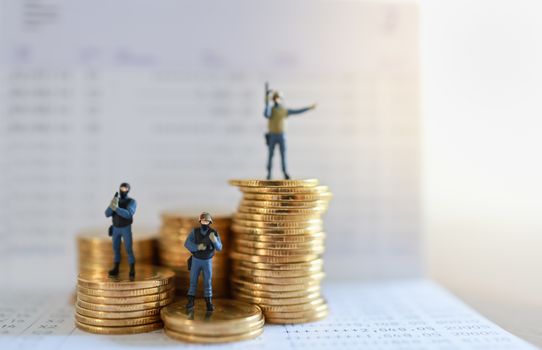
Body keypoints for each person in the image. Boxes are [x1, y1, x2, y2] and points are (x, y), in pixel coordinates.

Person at [263, 83, 316, 179]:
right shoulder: (271, 110)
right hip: (272, 135)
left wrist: (309, 108)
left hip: (281, 136)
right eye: (275, 98)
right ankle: (269, 173)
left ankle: (285, 172)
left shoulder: (284, 110)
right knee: (271, 155)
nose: (276, 99)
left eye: (278, 98)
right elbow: (266, 114)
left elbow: (297, 111)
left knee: (283, 155)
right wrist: (266, 99)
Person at [184, 212, 222, 312]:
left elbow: (219, 248)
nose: (205, 222)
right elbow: (187, 243)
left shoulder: (213, 233)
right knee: (193, 281)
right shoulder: (195, 231)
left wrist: (214, 241)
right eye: (203, 220)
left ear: (210, 222)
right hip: (196, 259)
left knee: (208, 282)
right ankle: (191, 301)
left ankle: (208, 302)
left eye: (207, 221)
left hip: (207, 261)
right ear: (200, 221)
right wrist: (197, 247)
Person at [105, 182, 137, 278]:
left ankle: (132, 269)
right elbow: (107, 214)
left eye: (125, 189)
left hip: (125, 228)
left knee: (128, 248)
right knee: (115, 248)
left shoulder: (131, 201)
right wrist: (113, 204)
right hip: (116, 228)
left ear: (128, 190)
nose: (123, 190)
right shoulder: (116, 200)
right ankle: (116, 268)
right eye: (121, 188)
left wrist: (116, 208)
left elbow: (128, 214)